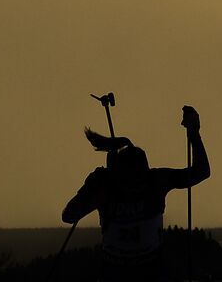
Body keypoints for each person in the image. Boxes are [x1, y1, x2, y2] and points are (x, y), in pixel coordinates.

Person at [62, 106, 210, 281]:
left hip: (135, 269)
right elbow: (69, 216)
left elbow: (69, 215)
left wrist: (90, 190)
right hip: (129, 270)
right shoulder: (153, 181)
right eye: (129, 180)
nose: (133, 187)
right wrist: (193, 131)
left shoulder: (140, 182)